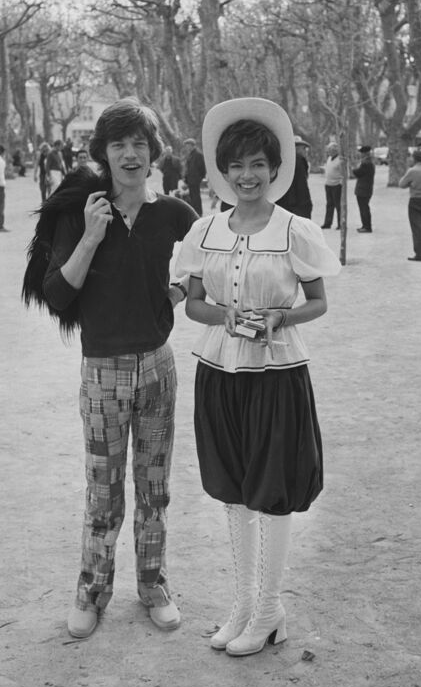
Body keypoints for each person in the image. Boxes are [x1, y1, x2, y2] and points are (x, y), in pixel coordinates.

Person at [22, 100, 197, 640]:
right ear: (103, 153)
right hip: (101, 372)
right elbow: (54, 294)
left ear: (153, 153)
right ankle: (91, 592)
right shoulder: (81, 212)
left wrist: (170, 297)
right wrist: (92, 238)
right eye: (119, 144)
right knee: (103, 491)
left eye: (140, 143)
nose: (130, 153)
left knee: (155, 488)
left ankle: (153, 584)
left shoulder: (175, 214)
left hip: (158, 369)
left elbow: (206, 271)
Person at [175, 97, 340, 658]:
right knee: (233, 490)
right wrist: (222, 314)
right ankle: (245, 605)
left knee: (270, 490)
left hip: (277, 371)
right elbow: (193, 305)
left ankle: (271, 611)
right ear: (223, 171)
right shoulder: (205, 230)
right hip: (219, 369)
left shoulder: (296, 230)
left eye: (258, 165)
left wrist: (280, 315)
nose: (247, 176)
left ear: (275, 169)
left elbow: (318, 302)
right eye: (236, 166)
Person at [399, 148, 421, 261]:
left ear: (414, 158)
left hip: (415, 200)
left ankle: (419, 253)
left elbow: (402, 184)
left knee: (417, 228)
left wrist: (411, 184)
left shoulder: (412, 171)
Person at [277, 135, 313, 219]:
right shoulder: (299, 160)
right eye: (303, 148)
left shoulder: (282, 158)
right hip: (296, 204)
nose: (305, 151)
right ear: (295, 148)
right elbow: (302, 186)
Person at [352, 145, 375, 232]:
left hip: (363, 189)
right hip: (366, 189)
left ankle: (367, 227)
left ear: (365, 153)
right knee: (364, 208)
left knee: (364, 208)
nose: (360, 154)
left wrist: (353, 169)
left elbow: (359, 173)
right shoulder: (368, 162)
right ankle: (365, 225)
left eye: (361, 153)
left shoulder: (366, 163)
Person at [182, 138, 206, 215]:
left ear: (192, 145)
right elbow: (188, 169)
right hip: (190, 180)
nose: (186, 147)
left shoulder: (198, 155)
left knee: (196, 198)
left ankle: (199, 213)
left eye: (187, 145)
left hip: (195, 180)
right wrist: (186, 180)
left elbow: (202, 169)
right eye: (186, 146)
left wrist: (198, 179)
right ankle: (195, 213)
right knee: (192, 197)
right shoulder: (190, 155)